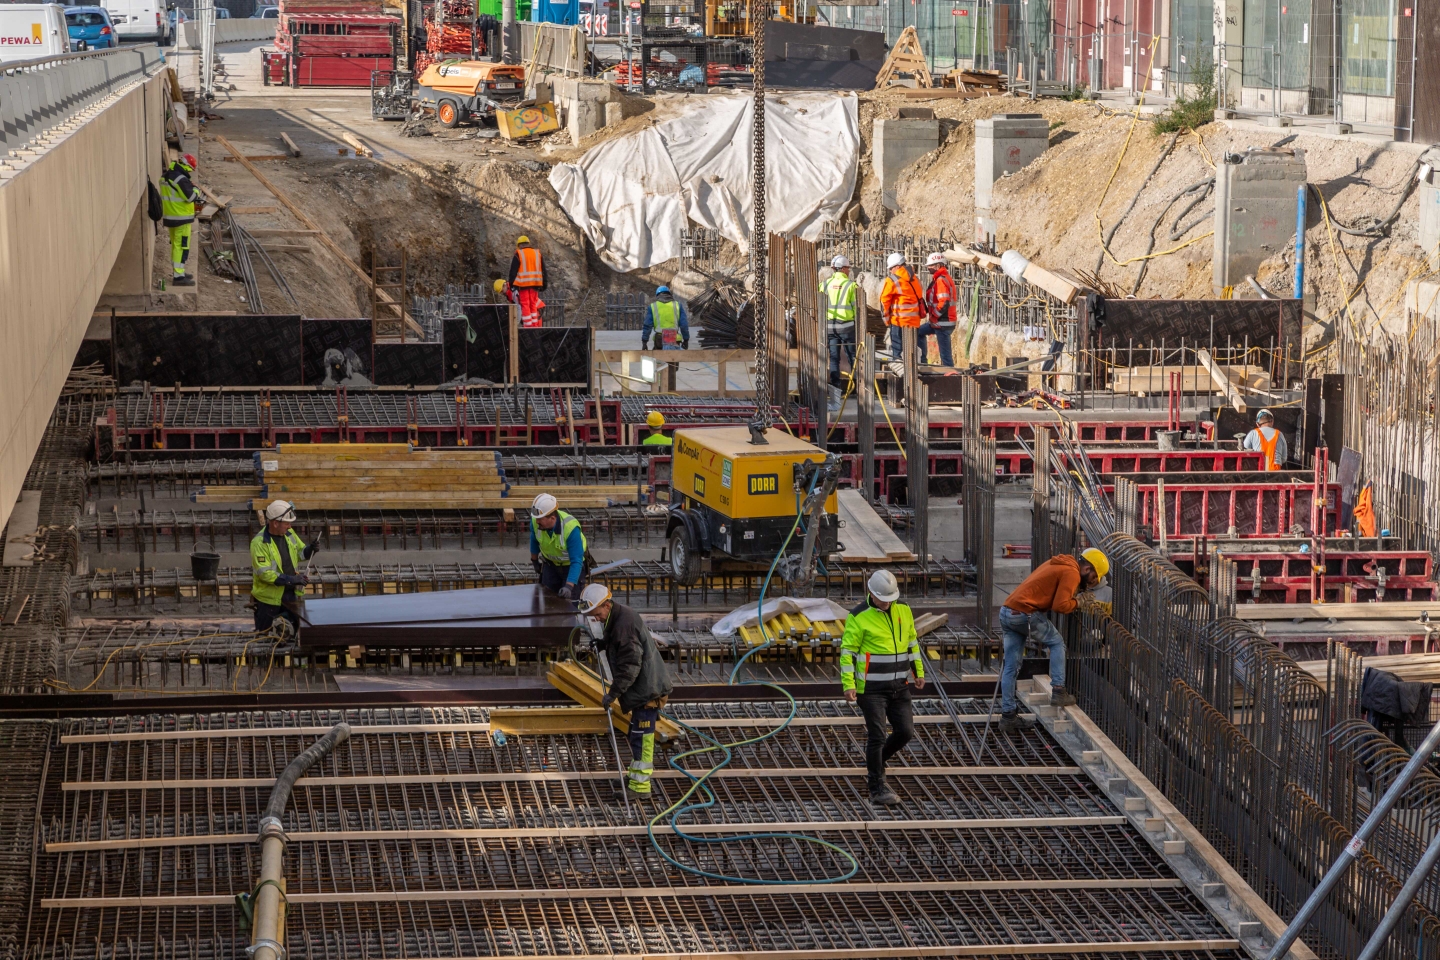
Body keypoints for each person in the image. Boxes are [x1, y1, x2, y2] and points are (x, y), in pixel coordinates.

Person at [996, 548, 1108, 732]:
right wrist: (1079, 602)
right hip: (1026, 614)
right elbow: (1060, 605)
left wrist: (1076, 594)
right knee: (1057, 643)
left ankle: (1008, 716)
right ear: (1087, 568)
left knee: (1011, 667)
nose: (1092, 582)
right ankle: (1058, 690)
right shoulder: (1072, 573)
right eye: (1094, 576)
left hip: (1007, 612)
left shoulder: (1060, 563)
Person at [579, 583, 674, 797]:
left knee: (642, 738)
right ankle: (634, 777)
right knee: (636, 735)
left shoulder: (624, 624)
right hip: (642, 689)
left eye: (596, 614)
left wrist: (613, 694)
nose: (596, 619)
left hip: (647, 691)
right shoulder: (617, 617)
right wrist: (604, 643)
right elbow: (617, 639)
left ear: (606, 604)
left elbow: (630, 666)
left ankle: (641, 787)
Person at [840, 569, 926, 806]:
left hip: (899, 686)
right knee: (877, 735)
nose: (887, 603)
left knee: (906, 732)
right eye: (882, 599)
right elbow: (848, 653)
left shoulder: (903, 610)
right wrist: (849, 685)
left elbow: (912, 642)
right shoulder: (858, 616)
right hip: (871, 690)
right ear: (871, 593)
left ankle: (875, 763)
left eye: (890, 599)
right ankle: (876, 786)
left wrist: (918, 672)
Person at [249, 500, 319, 634]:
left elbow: (300, 553)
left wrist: (311, 549)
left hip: (290, 597)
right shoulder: (259, 543)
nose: (290, 526)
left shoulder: (289, 534)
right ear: (275, 523)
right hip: (269, 603)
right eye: (287, 523)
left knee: (292, 636)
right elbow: (265, 574)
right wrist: (292, 580)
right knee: (267, 640)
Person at [529, 492, 586, 599]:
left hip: (570, 567)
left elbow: (576, 561)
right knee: (549, 601)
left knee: (571, 605)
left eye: (540, 518)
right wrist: (535, 561)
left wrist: (569, 586)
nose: (537, 521)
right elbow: (534, 540)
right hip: (550, 566)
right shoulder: (535, 522)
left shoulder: (570, 529)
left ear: (552, 518)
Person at [159, 152, 201, 287]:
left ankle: (179, 273)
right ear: (187, 167)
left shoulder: (167, 175)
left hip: (171, 216)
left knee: (176, 246)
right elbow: (190, 197)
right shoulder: (180, 179)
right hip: (181, 218)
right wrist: (195, 189)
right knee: (182, 247)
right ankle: (178, 277)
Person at [879, 252, 925, 360]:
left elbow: (884, 302)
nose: (890, 271)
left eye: (891, 268)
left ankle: (900, 376)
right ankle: (912, 374)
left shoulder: (892, 280)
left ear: (897, 267)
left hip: (898, 322)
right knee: (911, 354)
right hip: (914, 323)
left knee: (898, 356)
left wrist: (886, 320)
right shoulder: (915, 279)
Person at [821, 255, 858, 387]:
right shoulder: (851, 285)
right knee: (852, 356)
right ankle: (857, 384)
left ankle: (835, 386)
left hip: (830, 327)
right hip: (847, 326)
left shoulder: (825, 285)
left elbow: (820, 305)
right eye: (848, 268)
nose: (849, 271)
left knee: (834, 357)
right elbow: (855, 307)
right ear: (842, 269)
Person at [919, 252, 957, 367]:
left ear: (938, 266)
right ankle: (923, 361)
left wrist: (934, 316)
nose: (928, 267)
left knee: (945, 356)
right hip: (939, 322)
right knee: (918, 332)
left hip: (942, 322)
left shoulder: (941, 280)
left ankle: (950, 376)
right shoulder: (940, 278)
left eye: (931, 265)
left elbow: (944, 302)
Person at [507, 235, 546, 327]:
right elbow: (543, 270)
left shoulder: (519, 254)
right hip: (535, 284)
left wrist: (512, 285)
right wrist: (544, 284)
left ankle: (528, 327)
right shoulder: (537, 253)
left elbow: (513, 271)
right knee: (533, 305)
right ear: (528, 243)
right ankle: (535, 325)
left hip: (523, 285)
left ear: (520, 245)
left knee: (525, 305)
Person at [642, 285, 690, 350]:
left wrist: (644, 342)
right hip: (674, 338)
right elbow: (684, 325)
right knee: (673, 359)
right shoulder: (678, 305)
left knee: (658, 358)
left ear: (657, 295)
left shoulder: (653, 306)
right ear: (669, 294)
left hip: (659, 339)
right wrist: (686, 339)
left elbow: (647, 326)